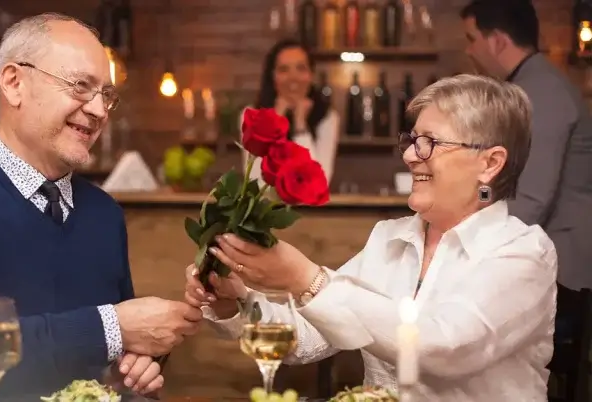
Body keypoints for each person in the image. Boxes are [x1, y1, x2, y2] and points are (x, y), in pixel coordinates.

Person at [185, 75, 557, 400]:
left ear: (490, 163)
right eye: (411, 140)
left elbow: (442, 347)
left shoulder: (524, 253)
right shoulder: (389, 238)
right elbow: (308, 335)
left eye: (429, 142)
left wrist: (306, 279)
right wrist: (235, 302)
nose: (411, 155)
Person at [0, 13, 202, 401]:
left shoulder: (104, 213)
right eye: (80, 87)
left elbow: (118, 347)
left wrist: (135, 365)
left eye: (106, 95)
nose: (99, 110)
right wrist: (111, 330)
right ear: (14, 83)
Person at [460, 0, 592, 339]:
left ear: (498, 40)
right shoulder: (533, 85)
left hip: (563, 278)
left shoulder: (539, 92)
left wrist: (468, 230)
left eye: (472, 38)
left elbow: (532, 199)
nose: (468, 50)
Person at [242, 38, 340, 185]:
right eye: (283, 70)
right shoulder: (251, 115)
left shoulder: (328, 117)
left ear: (311, 75)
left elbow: (317, 183)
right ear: (273, 77)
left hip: (309, 209)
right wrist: (275, 120)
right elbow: (256, 181)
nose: (293, 78)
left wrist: (301, 126)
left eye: (301, 69)